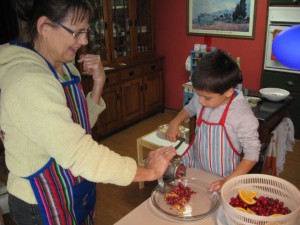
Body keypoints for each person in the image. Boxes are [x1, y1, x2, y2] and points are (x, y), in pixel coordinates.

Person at [0, 0, 177, 224]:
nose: (83, 41)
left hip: (70, 185)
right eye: (77, 32)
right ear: (44, 27)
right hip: (41, 199)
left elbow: (79, 126)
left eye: (86, 31)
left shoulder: (64, 67)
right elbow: (80, 153)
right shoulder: (28, 80)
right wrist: (148, 172)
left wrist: (98, 82)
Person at [166, 50, 261, 192]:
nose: (200, 101)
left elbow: (252, 155)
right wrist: (175, 122)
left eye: (207, 98)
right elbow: (189, 109)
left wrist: (227, 181)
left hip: (223, 178)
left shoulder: (242, 116)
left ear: (228, 92)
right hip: (195, 169)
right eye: (198, 95)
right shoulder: (203, 98)